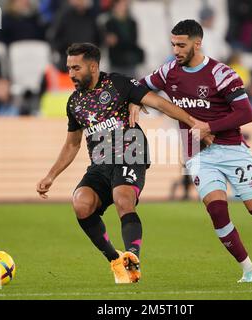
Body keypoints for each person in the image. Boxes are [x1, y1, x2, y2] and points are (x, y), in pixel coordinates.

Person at [134, 20, 252, 283]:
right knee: (217, 210)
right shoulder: (168, 71)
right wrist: (133, 102)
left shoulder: (222, 74)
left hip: (232, 150)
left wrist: (209, 126)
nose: (176, 50)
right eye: (173, 44)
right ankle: (249, 269)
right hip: (198, 155)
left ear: (198, 43)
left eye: (181, 45)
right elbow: (140, 86)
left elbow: (246, 113)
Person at [35, 43, 205, 284]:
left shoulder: (118, 84)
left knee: (122, 198)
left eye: (76, 68)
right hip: (100, 163)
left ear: (93, 67)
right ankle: (116, 260)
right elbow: (72, 144)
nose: (70, 74)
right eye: (68, 68)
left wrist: (192, 121)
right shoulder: (74, 103)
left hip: (131, 153)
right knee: (81, 204)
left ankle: (132, 258)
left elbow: (159, 103)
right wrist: (51, 175)